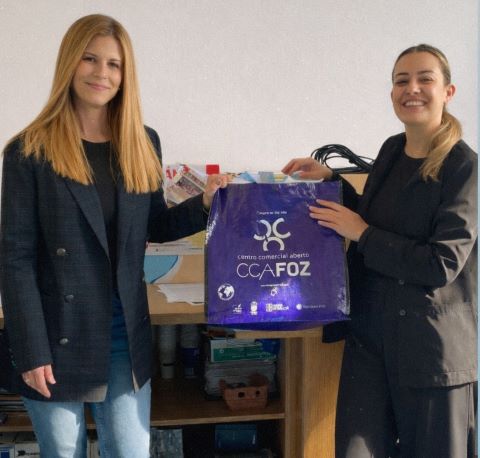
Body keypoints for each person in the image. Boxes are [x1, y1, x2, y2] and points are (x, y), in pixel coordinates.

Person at [0, 14, 228, 458]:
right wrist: (30, 349)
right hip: (55, 330)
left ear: (126, 75)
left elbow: (154, 226)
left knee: (130, 450)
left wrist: (204, 203)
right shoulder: (29, 150)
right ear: (70, 62)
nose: (101, 73)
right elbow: (15, 258)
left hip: (123, 325)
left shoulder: (141, 141)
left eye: (114, 64)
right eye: (89, 59)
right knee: (63, 452)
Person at [282, 44, 477, 458]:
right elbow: (370, 220)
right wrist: (331, 180)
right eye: (402, 80)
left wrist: (363, 234)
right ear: (392, 93)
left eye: (425, 79)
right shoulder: (391, 150)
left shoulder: (465, 167)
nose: (412, 88)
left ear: (448, 91)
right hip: (370, 340)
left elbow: (440, 264)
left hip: (430, 350)